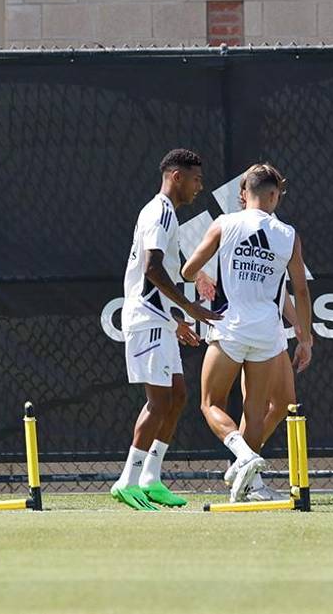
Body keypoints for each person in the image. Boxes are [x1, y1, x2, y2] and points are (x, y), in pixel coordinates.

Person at [181, 163, 314, 503]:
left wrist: (201, 277)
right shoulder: (288, 234)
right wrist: (306, 338)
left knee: (210, 403)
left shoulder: (225, 223)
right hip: (268, 334)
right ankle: (251, 482)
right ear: (272, 195)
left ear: (246, 195)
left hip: (231, 329)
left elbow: (188, 269)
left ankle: (243, 456)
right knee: (255, 411)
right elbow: (300, 290)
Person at [113, 148, 222, 511]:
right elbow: (152, 269)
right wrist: (188, 307)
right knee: (159, 402)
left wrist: (175, 318)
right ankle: (127, 481)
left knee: (177, 397)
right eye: (195, 179)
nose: (199, 187)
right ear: (176, 176)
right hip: (146, 319)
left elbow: (159, 275)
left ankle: (151, 478)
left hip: (159, 318)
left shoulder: (168, 214)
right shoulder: (159, 211)